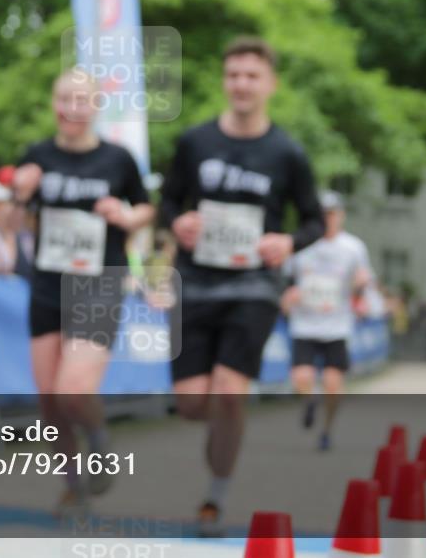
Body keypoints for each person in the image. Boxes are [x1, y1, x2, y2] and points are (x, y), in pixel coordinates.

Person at [159, 37, 324, 535]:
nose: (242, 84)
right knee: (192, 404)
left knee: (230, 393)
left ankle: (215, 496)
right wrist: (178, 222)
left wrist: (287, 241)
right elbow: (167, 202)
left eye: (252, 76)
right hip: (195, 281)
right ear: (224, 81)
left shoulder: (287, 152)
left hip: (254, 285)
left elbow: (314, 221)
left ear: (271, 84)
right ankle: (220, 426)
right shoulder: (195, 142)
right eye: (233, 75)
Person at [10, 69, 155, 515]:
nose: (72, 108)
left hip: (99, 283)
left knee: (72, 389)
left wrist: (126, 217)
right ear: (53, 104)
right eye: (64, 99)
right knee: (49, 399)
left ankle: (97, 437)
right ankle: (74, 485)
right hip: (48, 284)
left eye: (81, 100)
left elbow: (147, 209)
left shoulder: (118, 160)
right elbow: (13, 225)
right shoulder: (37, 156)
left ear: (95, 106)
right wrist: (20, 195)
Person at [280, 191, 371, 451]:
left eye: (331, 214)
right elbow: (286, 282)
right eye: (322, 214)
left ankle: (326, 430)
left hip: (337, 326)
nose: (327, 219)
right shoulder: (301, 244)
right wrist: (287, 296)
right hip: (305, 324)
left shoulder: (354, 247)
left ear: (341, 216)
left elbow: (362, 285)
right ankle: (310, 402)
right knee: (301, 378)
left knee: (333, 385)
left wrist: (361, 290)